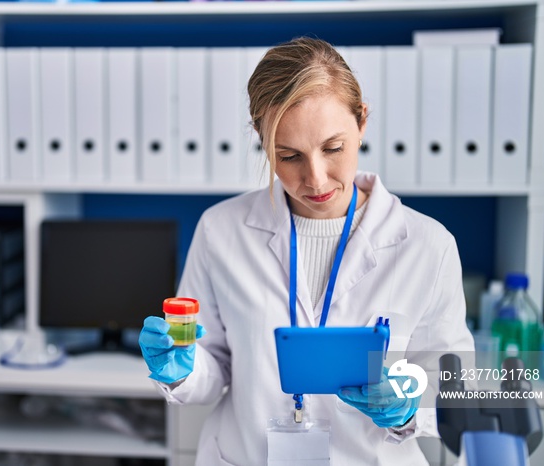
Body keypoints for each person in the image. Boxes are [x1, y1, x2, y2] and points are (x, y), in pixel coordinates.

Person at [139, 36, 474, 465]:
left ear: (362, 122)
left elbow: (451, 384)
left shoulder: (429, 246)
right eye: (289, 156)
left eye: (333, 148)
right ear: (263, 144)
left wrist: (410, 401)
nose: (315, 179)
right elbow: (214, 365)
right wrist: (182, 366)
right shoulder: (221, 230)